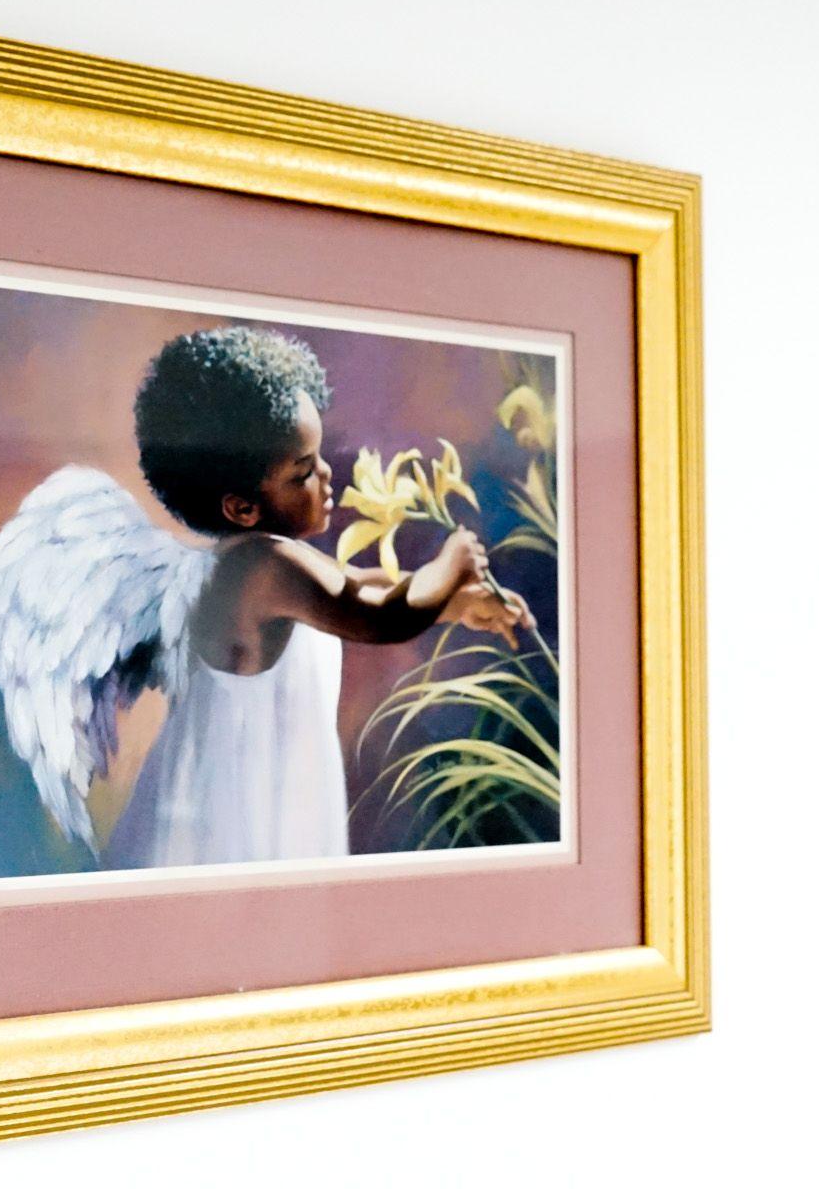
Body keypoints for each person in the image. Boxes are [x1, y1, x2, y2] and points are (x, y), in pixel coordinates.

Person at [96, 326, 531, 869]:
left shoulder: (250, 562)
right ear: (241, 507)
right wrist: (452, 562)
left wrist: (453, 603)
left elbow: (360, 585)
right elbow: (372, 614)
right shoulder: (264, 566)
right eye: (303, 471)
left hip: (245, 807)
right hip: (234, 826)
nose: (327, 475)